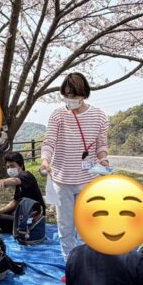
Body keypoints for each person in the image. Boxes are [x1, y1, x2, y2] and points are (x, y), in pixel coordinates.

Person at [39, 72, 109, 260]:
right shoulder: (58, 115)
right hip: (62, 180)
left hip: (88, 179)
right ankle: (70, 263)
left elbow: (101, 145)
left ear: (83, 93)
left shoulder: (99, 116)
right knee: (65, 226)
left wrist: (103, 159)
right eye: (66, 95)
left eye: (73, 95)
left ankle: (87, 263)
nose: (69, 99)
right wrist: (45, 160)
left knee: (88, 225)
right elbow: (49, 142)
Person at [0, 151, 45, 233]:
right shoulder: (19, 183)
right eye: (8, 167)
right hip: (24, 213)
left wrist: (3, 181)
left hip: (34, 217)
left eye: (12, 166)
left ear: (21, 165)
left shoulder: (26, 176)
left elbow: (15, 180)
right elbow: (15, 202)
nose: (9, 169)